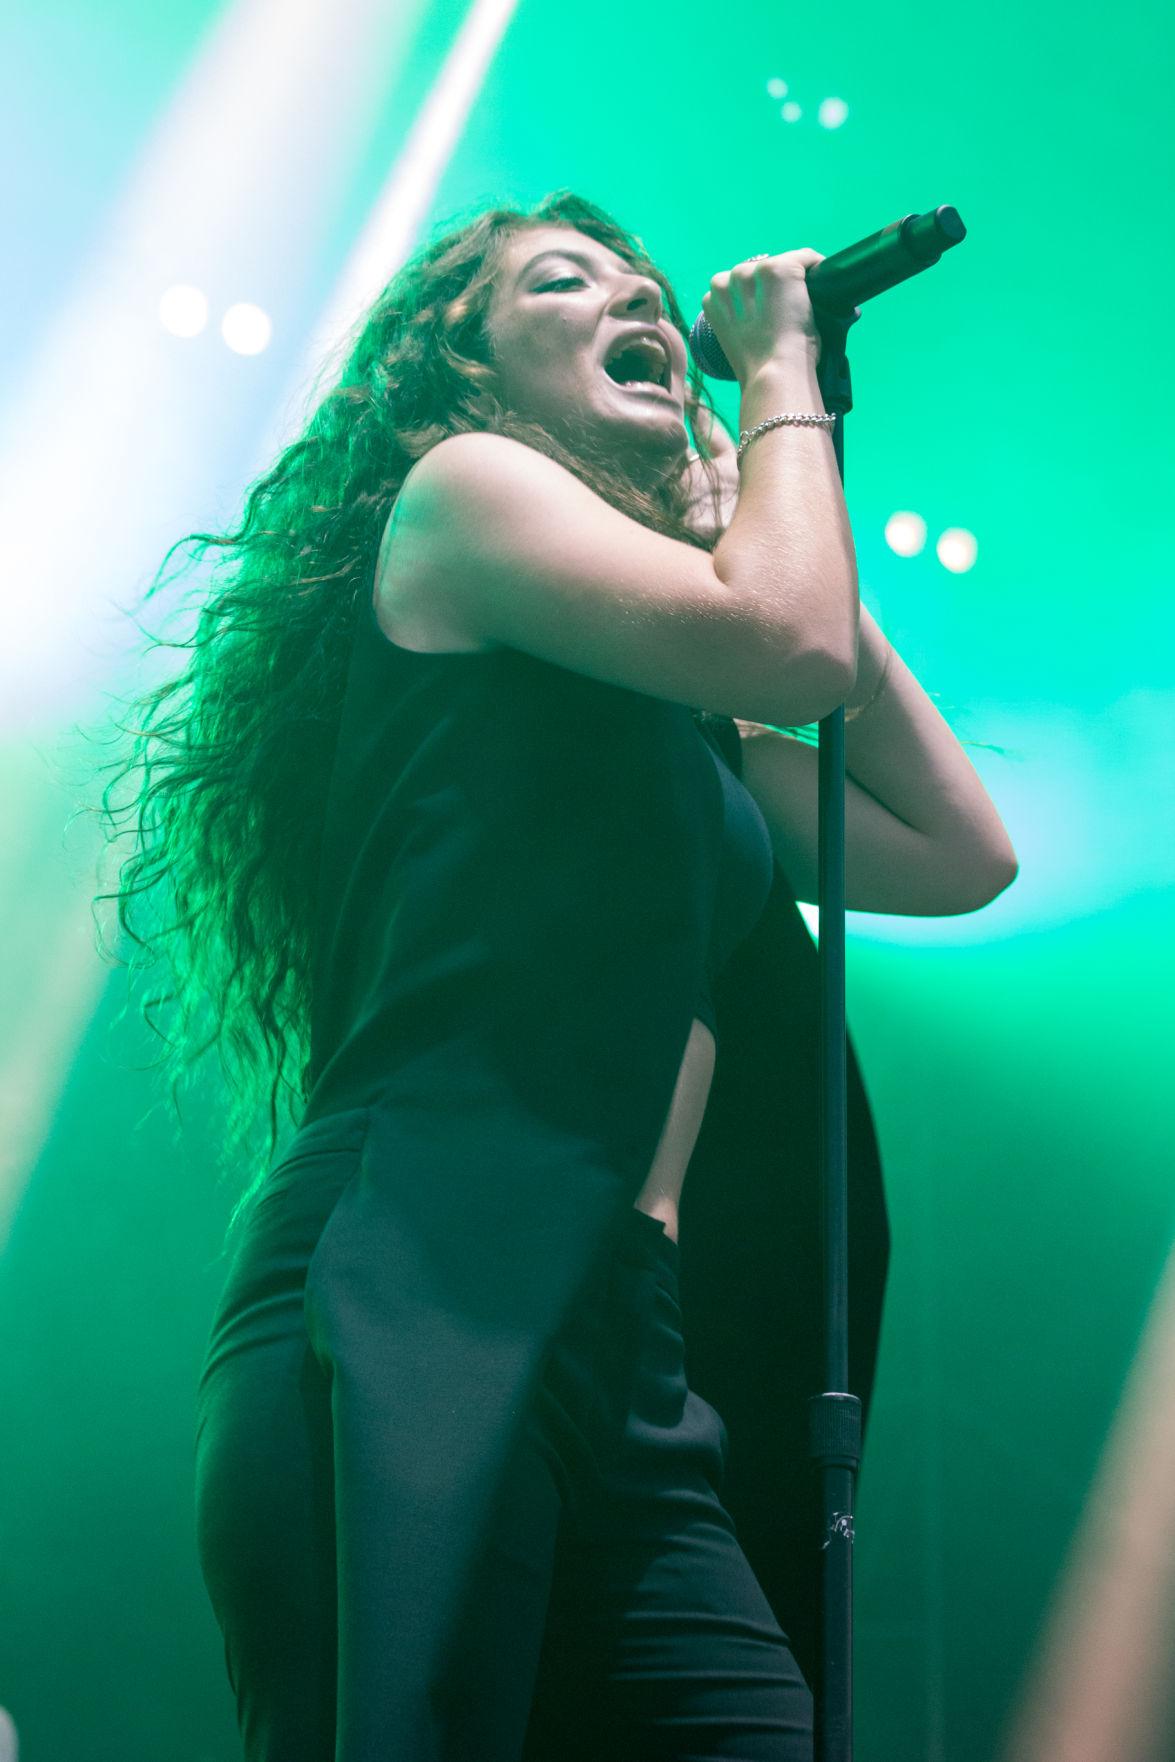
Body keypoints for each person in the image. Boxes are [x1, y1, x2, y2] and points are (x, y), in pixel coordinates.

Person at [112, 189, 1016, 1759]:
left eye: (653, 288)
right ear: (452, 362)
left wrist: (761, 502)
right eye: (567, 281)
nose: (644, 305)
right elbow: (787, 644)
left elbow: (956, 851)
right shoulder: (455, 498)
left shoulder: (686, 726)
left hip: (629, 1346)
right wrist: (786, 378)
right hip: (422, 1280)